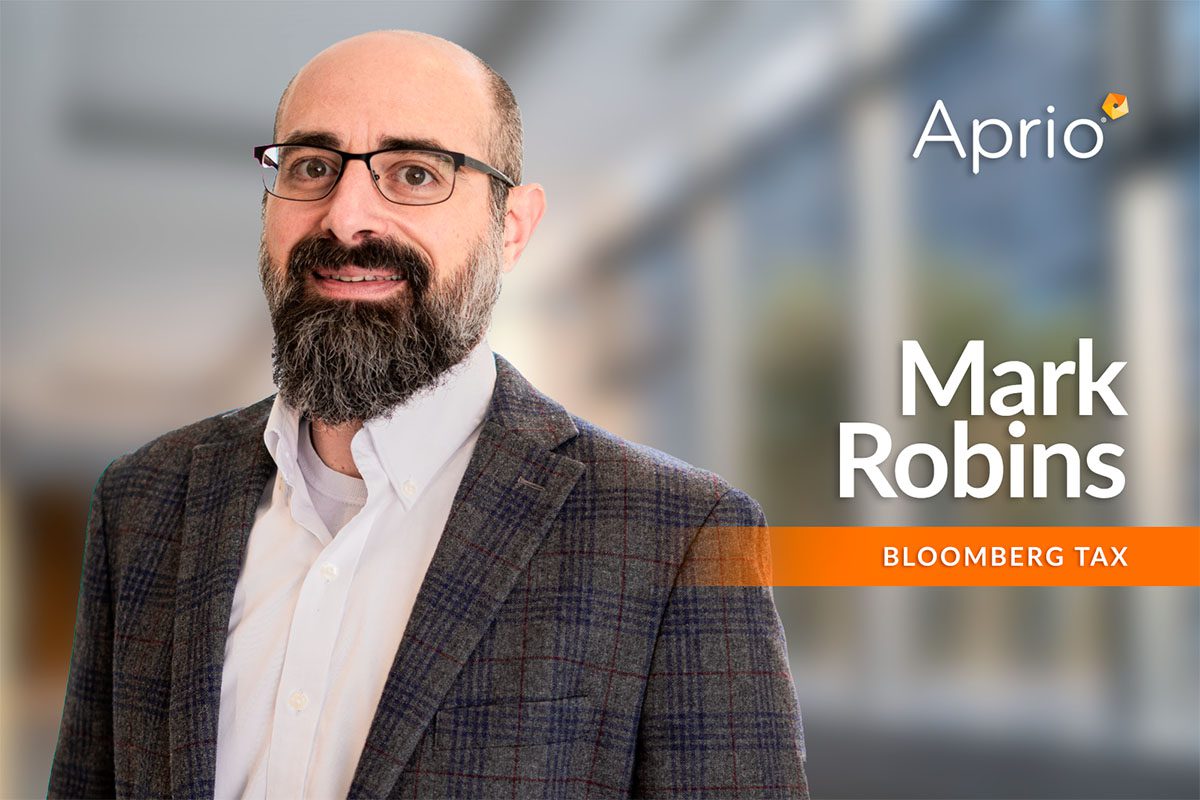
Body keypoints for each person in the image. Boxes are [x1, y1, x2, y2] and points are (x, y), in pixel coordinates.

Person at [48, 30, 809, 799]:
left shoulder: (677, 535)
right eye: (312, 167)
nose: (346, 220)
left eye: (413, 173)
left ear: (511, 228)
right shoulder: (146, 500)